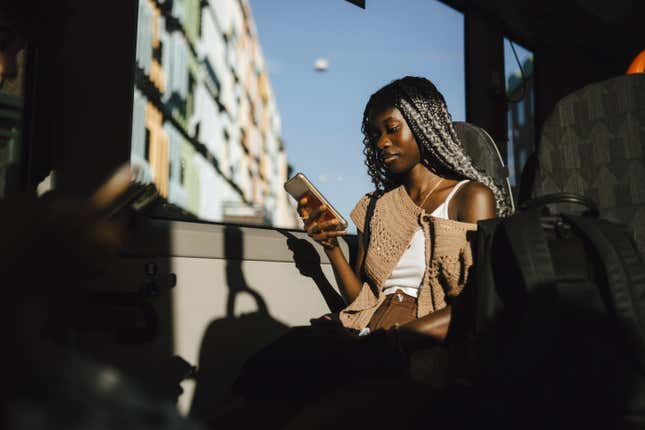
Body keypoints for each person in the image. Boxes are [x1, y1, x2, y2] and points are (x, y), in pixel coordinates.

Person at [231, 77, 513, 427]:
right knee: (261, 382)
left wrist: (391, 343)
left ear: (423, 126)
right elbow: (362, 299)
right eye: (374, 134)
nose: (382, 142)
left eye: (392, 129)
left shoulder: (471, 197)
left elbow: (476, 304)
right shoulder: (376, 207)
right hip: (366, 327)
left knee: (314, 419)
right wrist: (331, 247)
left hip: (426, 339)